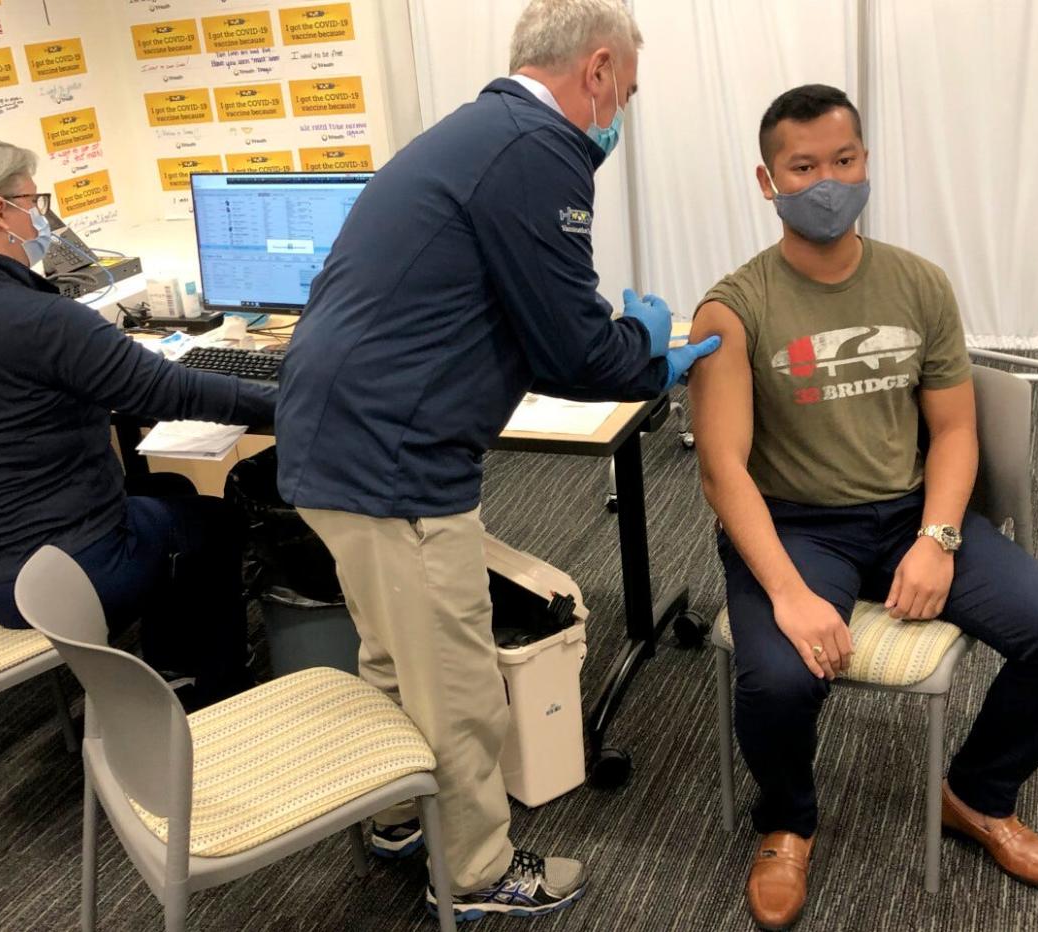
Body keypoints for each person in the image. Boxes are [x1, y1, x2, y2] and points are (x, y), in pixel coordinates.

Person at [276, 0, 719, 921]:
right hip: (395, 465)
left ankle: (401, 815)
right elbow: (573, 353)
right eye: (625, 92)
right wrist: (646, 344)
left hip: (332, 443)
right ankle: (474, 873)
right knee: (459, 684)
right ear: (597, 69)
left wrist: (614, 338)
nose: (619, 116)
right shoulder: (538, 148)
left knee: (397, 656)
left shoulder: (474, 132)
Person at [689, 85, 1038, 930]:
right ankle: (788, 821)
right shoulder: (735, 308)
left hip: (909, 513)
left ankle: (976, 796)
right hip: (795, 525)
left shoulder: (918, 283)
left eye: (843, 161)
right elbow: (723, 471)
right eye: (803, 167)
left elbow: (953, 431)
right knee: (775, 678)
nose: (828, 181)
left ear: (866, 163)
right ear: (767, 183)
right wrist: (792, 595)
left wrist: (939, 537)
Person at [0, 137, 276, 707]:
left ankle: (171, 666)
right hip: (54, 574)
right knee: (215, 522)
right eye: (34, 201)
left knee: (167, 488)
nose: (45, 217)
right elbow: (170, 389)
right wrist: (294, 396)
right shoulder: (44, 319)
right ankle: (218, 696)